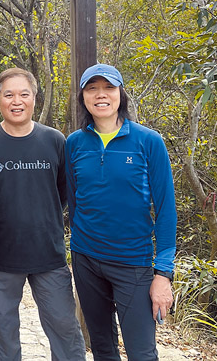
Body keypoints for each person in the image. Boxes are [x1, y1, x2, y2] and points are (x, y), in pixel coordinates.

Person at [66, 63, 177, 360]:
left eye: (108, 88)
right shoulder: (74, 144)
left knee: (142, 352)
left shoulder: (148, 141)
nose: (100, 95)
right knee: (102, 348)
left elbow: (166, 209)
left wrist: (163, 272)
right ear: (83, 97)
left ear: (120, 94)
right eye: (92, 88)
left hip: (133, 264)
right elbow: (75, 201)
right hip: (86, 259)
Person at [0, 68, 86, 361]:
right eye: (9, 94)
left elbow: (64, 193)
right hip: (1, 257)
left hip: (48, 255)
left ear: (34, 98)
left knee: (65, 329)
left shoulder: (54, 140)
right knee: (3, 332)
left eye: (24, 94)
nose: (17, 101)